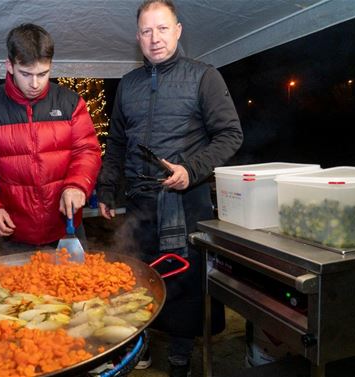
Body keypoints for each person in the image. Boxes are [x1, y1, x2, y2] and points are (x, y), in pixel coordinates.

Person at [96, 1, 243, 376]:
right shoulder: (128, 85)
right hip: (140, 203)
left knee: (183, 281)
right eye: (146, 31)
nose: (154, 38)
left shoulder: (203, 76)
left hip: (185, 199)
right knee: (143, 275)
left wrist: (190, 170)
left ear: (178, 30)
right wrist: (108, 189)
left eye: (162, 29)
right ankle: (143, 342)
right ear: (137, 37)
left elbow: (230, 135)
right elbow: (115, 143)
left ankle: (180, 354)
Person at [0, 23, 102, 249]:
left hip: (65, 228)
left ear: (51, 66)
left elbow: (87, 151)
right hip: (14, 232)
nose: (35, 84)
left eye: (43, 74)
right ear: (10, 65)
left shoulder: (71, 103)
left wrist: (77, 185)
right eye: (26, 74)